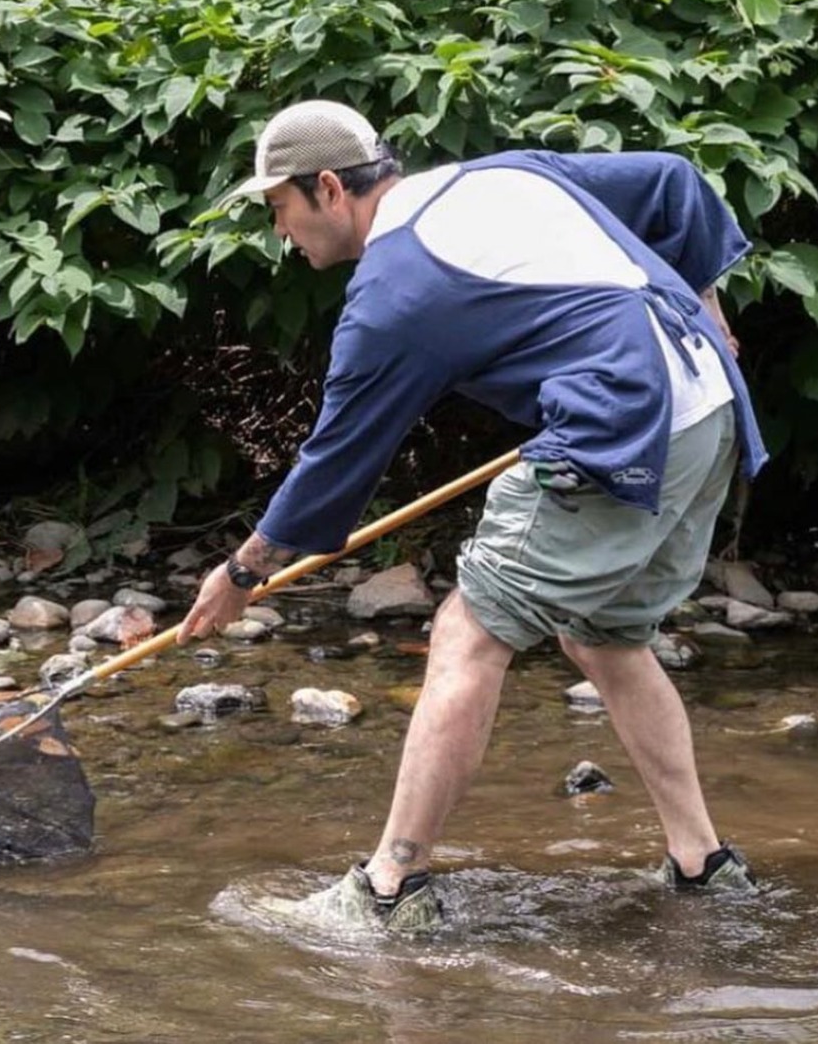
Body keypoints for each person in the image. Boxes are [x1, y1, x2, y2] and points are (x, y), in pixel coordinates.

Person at [177, 99, 768, 934]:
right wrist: (707, 307)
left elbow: (337, 460)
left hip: (624, 425)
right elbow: (676, 182)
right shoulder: (501, 173)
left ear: (330, 189)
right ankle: (704, 865)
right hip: (707, 408)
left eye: (279, 209)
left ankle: (386, 891)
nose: (280, 233)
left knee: (468, 633)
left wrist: (243, 572)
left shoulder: (394, 292)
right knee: (604, 636)